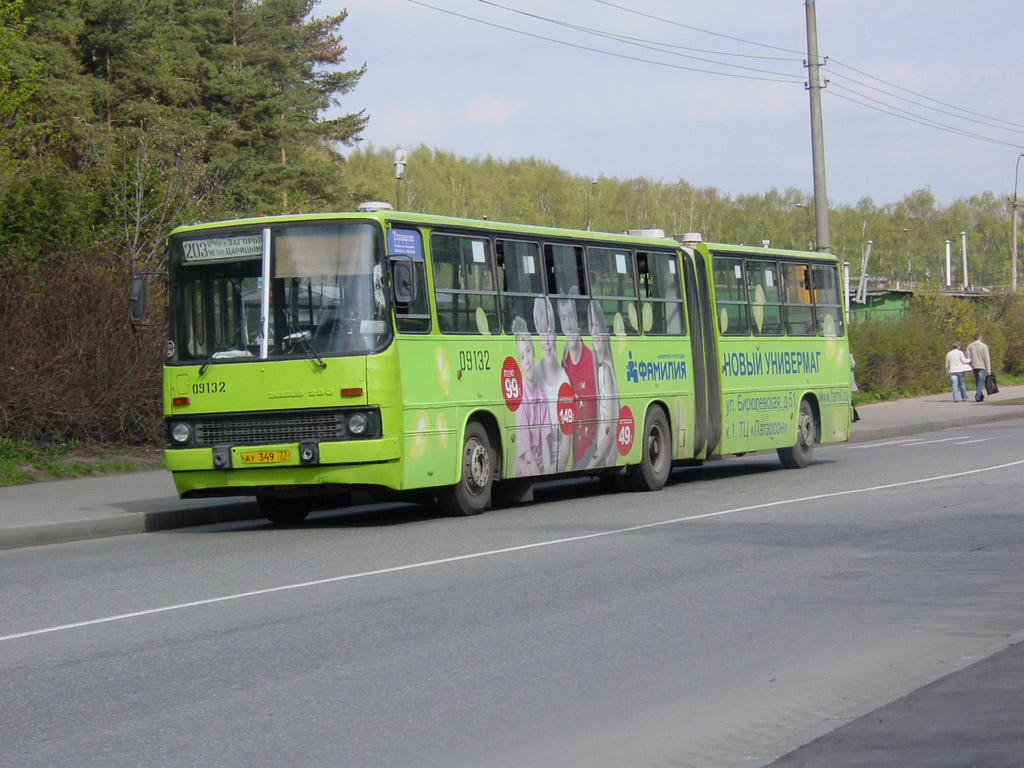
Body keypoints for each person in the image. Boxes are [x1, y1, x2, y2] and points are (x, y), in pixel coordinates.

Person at [557, 290, 598, 469]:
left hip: (594, 454)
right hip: (575, 460)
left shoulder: (593, 359)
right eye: (563, 319)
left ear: (577, 320)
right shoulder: (563, 363)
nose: (569, 324)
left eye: (571, 316)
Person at [532, 296, 571, 472]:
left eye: (549, 333)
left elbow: (566, 443)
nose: (546, 341)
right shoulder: (534, 376)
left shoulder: (564, 380)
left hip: (557, 464)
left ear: (555, 336)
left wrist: (553, 471)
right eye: (541, 334)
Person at [511, 316, 553, 476]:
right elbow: (527, 455)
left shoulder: (540, 396)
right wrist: (541, 476)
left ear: (534, 351)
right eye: (522, 357)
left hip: (540, 467)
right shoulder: (521, 400)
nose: (527, 361)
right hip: (526, 470)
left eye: (528, 351)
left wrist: (549, 472)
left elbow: (545, 444)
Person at [966, 332, 992, 403]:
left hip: (974, 365)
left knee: (978, 381)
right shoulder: (984, 346)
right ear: (980, 338)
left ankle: (980, 395)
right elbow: (987, 358)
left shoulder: (969, 346)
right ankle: (978, 395)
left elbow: (968, 357)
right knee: (980, 381)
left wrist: (969, 365)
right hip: (981, 365)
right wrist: (988, 370)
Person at [849, 352, 861, 422]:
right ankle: (854, 416)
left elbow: (852, 365)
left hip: (849, 383)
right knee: (850, 401)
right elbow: (852, 365)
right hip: (848, 383)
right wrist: (851, 358)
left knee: (850, 400)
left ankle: (854, 416)